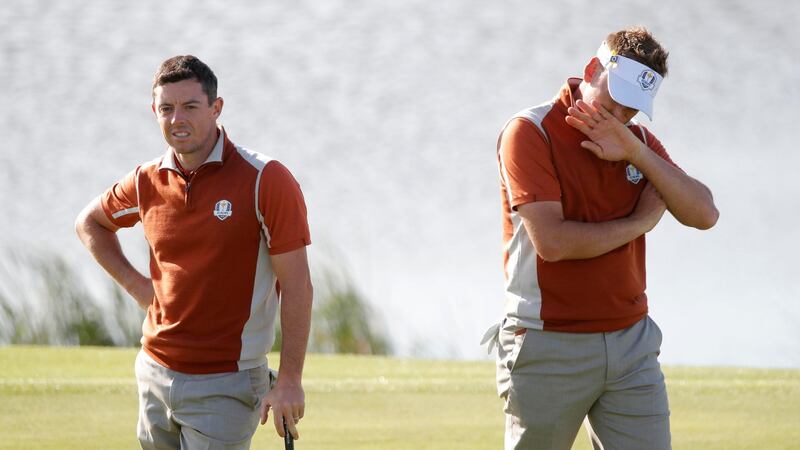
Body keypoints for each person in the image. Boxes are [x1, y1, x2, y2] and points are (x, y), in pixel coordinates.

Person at [485, 27, 719, 449]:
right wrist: (639, 224)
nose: (620, 116)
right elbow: (552, 243)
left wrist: (637, 154)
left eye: (632, 109)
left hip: (631, 343)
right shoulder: (530, 133)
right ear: (592, 70)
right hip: (547, 342)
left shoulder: (635, 141)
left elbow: (704, 213)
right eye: (614, 100)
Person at [75, 55, 313, 449]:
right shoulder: (146, 180)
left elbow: (298, 284)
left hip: (228, 383)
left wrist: (289, 380)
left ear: (216, 108)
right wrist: (139, 288)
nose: (176, 119)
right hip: (154, 371)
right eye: (166, 109)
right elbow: (90, 223)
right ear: (154, 111)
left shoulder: (265, 180)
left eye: (190, 107)